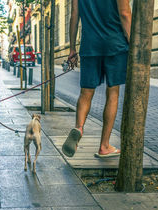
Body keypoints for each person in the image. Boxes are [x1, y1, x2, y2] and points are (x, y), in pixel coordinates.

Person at [62, 0, 131, 158]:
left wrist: (72, 48)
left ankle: (78, 128)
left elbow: (74, 16)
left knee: (86, 93)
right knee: (113, 93)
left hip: (89, 45)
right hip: (115, 45)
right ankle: (104, 146)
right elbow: (125, 13)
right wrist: (134, 43)